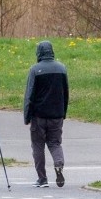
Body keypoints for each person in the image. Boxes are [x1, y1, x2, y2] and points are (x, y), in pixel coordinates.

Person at [23, 40, 69, 188]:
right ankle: (58, 163)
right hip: (57, 114)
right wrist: (63, 112)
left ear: (39, 53)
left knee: (38, 146)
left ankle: (42, 179)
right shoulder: (62, 69)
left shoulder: (35, 70)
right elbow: (66, 92)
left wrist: (27, 116)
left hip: (39, 116)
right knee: (55, 143)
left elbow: (29, 95)